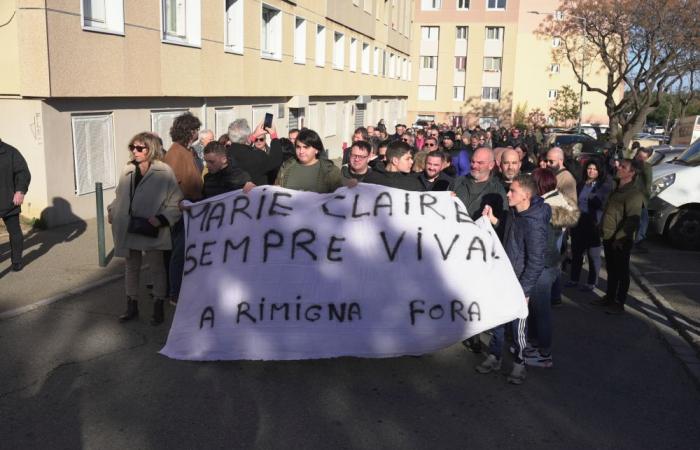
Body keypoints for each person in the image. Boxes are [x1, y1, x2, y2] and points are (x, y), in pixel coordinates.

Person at [476, 174, 550, 384]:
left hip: (519, 283)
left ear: (526, 195)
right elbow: (511, 235)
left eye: (513, 191)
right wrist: (494, 221)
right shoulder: (514, 213)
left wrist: (524, 291)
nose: (508, 194)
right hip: (503, 276)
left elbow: (536, 261)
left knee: (518, 327)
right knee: (498, 320)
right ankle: (494, 356)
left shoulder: (534, 223)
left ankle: (519, 364)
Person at [108, 132, 182, 325]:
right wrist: (112, 210)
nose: (135, 151)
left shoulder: (164, 171)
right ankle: (131, 305)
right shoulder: (127, 169)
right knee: (131, 267)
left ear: (151, 149)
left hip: (151, 227)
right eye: (132, 147)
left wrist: (162, 219)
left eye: (140, 148)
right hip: (127, 225)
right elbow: (119, 195)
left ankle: (158, 306)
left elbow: (175, 202)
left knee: (157, 269)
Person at [526, 169, 580, 368]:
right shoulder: (557, 200)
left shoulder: (547, 206)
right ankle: (533, 344)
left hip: (545, 264)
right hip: (549, 263)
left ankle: (544, 353)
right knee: (535, 308)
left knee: (541, 310)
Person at [594, 159, 644, 314]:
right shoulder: (617, 188)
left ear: (632, 172)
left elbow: (633, 219)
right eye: (619, 165)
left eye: (623, 167)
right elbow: (610, 210)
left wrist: (620, 238)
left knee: (622, 272)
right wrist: (600, 225)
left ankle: (619, 303)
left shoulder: (634, 193)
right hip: (609, 235)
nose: (619, 168)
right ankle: (609, 297)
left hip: (620, 240)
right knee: (612, 269)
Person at [163, 112, 203, 307]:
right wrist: (180, 203)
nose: (198, 133)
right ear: (189, 131)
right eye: (196, 129)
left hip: (191, 208)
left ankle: (183, 289)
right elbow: (170, 185)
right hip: (182, 210)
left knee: (187, 251)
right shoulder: (175, 152)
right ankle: (175, 293)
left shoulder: (186, 150)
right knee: (179, 252)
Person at [568, 159, 611, 291]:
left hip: (593, 223)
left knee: (593, 255)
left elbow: (603, 205)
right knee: (576, 253)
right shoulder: (580, 184)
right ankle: (573, 279)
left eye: (594, 169)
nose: (591, 171)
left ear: (599, 171)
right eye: (589, 168)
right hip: (578, 222)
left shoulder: (603, 185)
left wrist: (594, 196)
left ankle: (592, 282)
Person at [275, 128, 342, 193]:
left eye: (306, 147)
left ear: (316, 149)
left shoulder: (330, 171)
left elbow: (339, 198)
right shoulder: (286, 167)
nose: (301, 151)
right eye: (298, 147)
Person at [0, 139, 31, 272]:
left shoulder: (11, 152)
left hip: (8, 200)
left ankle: (17, 261)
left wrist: (20, 191)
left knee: (15, 232)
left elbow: (23, 172)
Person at [226, 119, 283, 186]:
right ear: (247, 137)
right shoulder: (258, 156)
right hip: (255, 194)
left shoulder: (227, 153)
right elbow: (276, 160)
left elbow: (242, 147)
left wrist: (254, 135)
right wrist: (274, 136)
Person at [633, 147, 653, 253]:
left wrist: (646, 197)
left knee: (643, 220)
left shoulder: (646, 167)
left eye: (644, 158)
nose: (641, 159)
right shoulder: (630, 164)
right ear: (636, 155)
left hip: (641, 198)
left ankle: (639, 242)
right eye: (640, 156)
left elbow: (648, 183)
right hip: (630, 196)